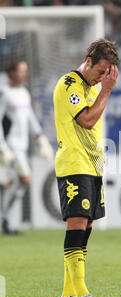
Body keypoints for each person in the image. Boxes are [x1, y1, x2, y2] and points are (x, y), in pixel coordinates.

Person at [53, 39, 119, 297]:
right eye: (101, 71)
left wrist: (103, 89)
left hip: (92, 166)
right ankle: (81, 293)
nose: (103, 78)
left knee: (86, 228)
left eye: (108, 74)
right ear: (89, 62)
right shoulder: (69, 85)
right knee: (77, 225)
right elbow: (88, 120)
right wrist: (107, 91)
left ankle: (68, 293)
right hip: (74, 164)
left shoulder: (94, 87)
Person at [0, 61, 53, 235]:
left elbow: (29, 117)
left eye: (26, 71)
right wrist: (2, 146)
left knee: (16, 183)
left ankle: (6, 221)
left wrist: (41, 137)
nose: (24, 74)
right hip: (11, 146)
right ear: (12, 72)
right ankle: (5, 219)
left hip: (22, 146)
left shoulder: (23, 93)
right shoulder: (5, 93)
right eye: (21, 71)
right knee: (25, 179)